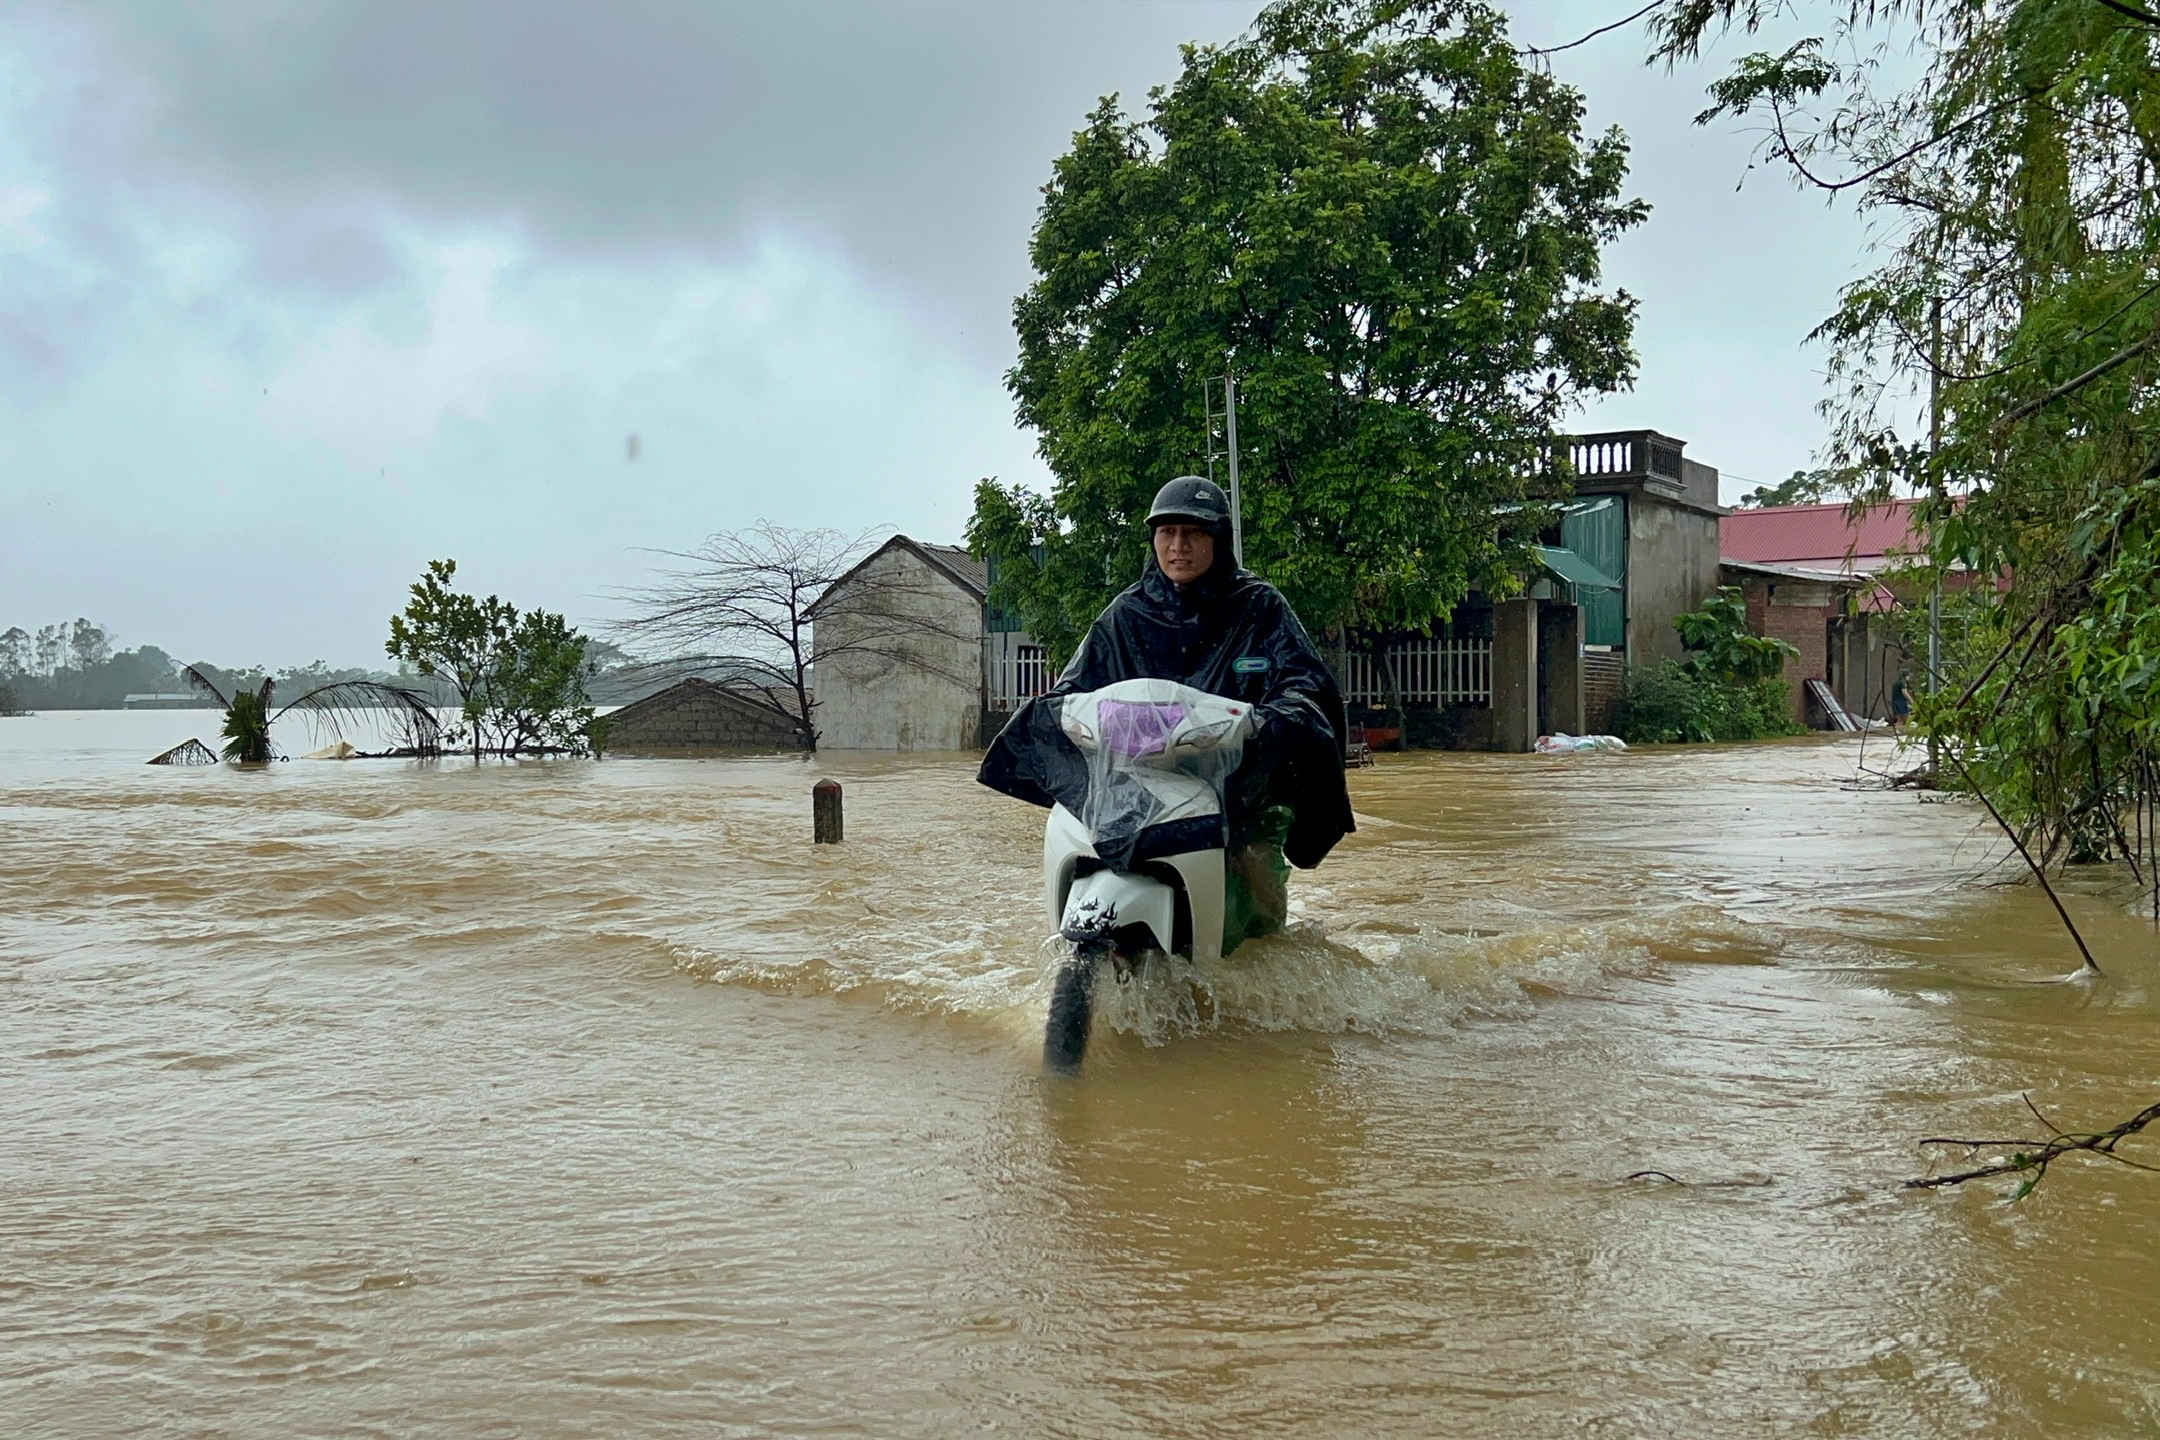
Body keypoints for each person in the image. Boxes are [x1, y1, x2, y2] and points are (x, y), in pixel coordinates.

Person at [977, 476, 1355, 948]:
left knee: (1256, 874)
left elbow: (1304, 685)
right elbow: (1072, 690)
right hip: (1136, 786)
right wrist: (1064, 715)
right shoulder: (1126, 614)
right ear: (1153, 539)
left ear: (1218, 539)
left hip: (1240, 789)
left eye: (1194, 533)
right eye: (1167, 533)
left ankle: (1259, 974)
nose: (1179, 546)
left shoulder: (1260, 607)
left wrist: (1271, 720)